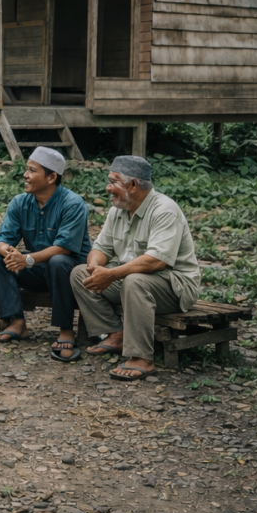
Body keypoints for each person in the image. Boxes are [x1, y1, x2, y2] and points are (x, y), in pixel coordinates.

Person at [70, 156, 201, 382]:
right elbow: (101, 248)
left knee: (134, 280)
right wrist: (95, 268)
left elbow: (155, 262)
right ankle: (115, 333)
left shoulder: (164, 210)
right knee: (79, 273)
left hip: (175, 285)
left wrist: (110, 274)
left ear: (133, 185)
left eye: (114, 182)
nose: (108, 187)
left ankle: (141, 358)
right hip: (132, 281)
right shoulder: (118, 209)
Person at [0, 147, 92, 360]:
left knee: (58, 261)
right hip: (38, 268)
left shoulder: (72, 203)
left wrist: (26, 259)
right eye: (26, 170)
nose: (25, 175)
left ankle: (66, 330)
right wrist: (8, 251)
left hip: (69, 272)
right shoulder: (20, 202)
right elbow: (3, 239)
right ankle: (16, 322)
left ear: (52, 177)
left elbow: (64, 248)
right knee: (0, 259)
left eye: (32, 170)